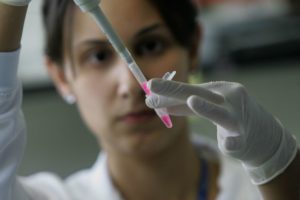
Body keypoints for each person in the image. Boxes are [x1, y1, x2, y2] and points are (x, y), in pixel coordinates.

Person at [0, 0, 299, 199]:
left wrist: (277, 164)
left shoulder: (264, 188)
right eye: (98, 56)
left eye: (152, 45)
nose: (131, 85)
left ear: (193, 48)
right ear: (60, 77)